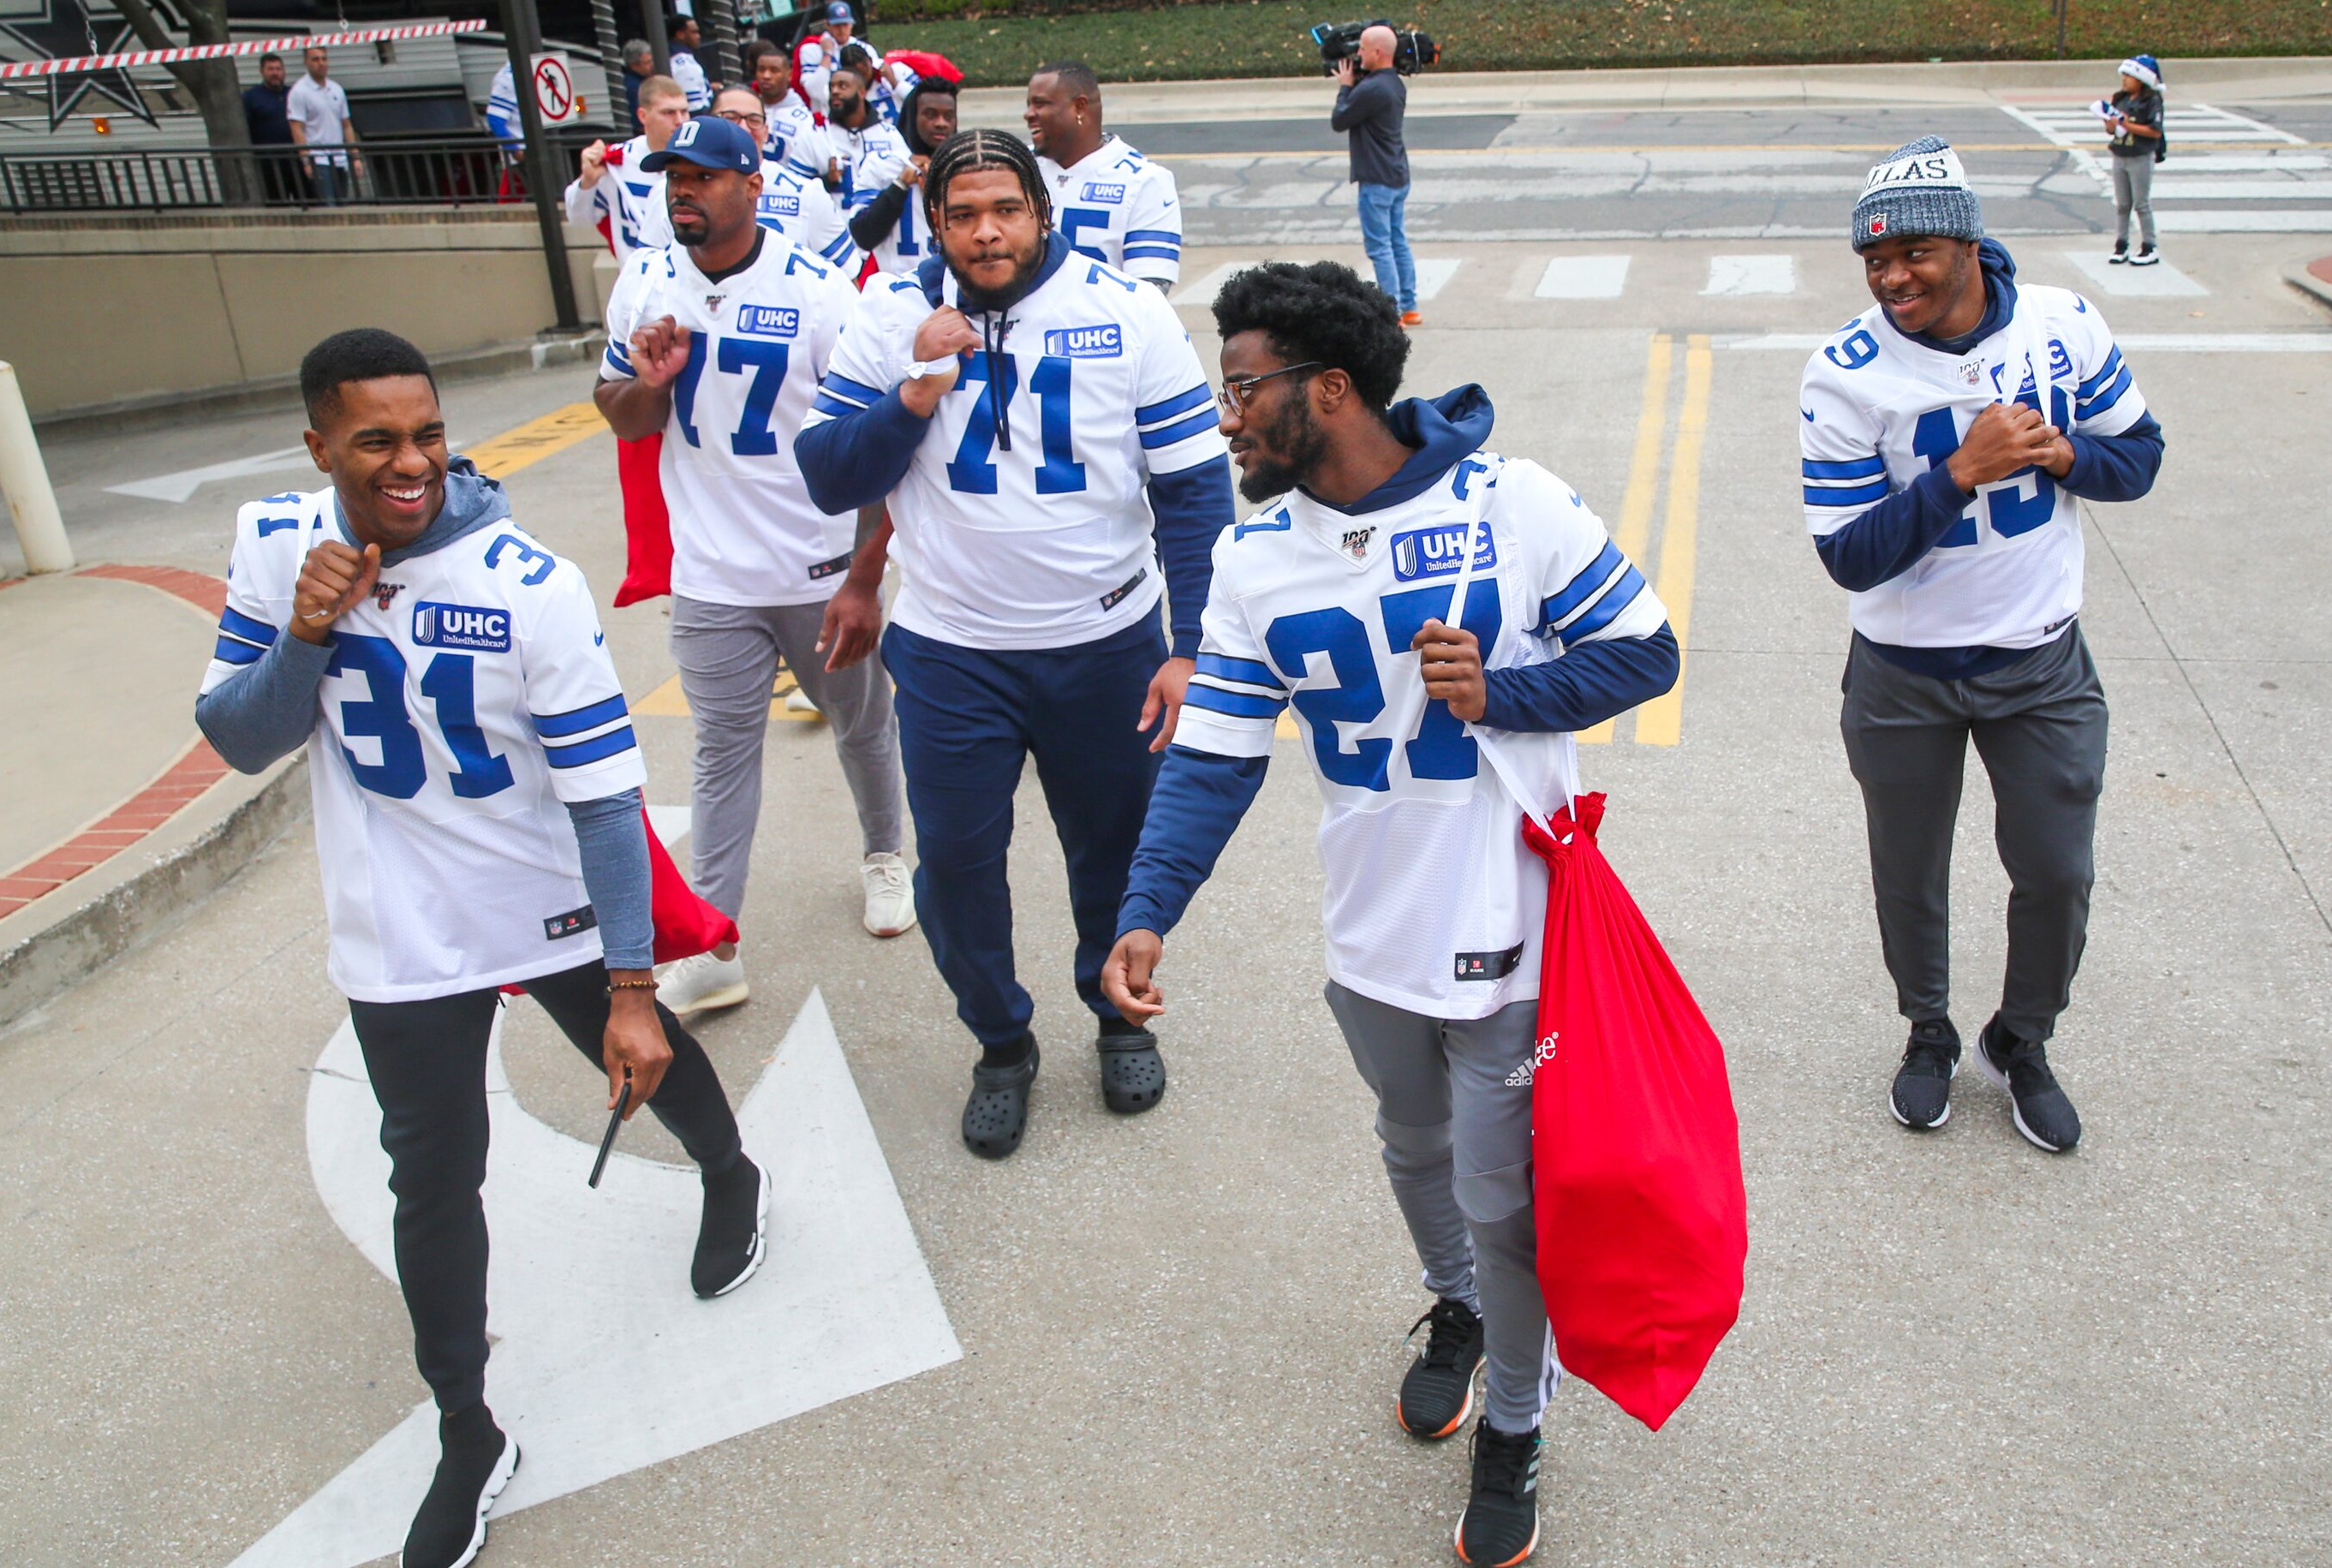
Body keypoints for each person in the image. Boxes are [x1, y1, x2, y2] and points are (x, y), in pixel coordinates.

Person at [1100, 259, 1677, 1566]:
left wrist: (1508, 694)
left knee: (1503, 1193)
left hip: (1512, 933)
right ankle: (1457, 1312)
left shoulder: (1509, 504)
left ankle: (1518, 1423)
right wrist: (1148, 908)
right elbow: (1216, 751)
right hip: (1372, 930)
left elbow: (1646, 651)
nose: (1225, 414)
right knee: (1412, 1150)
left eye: (1243, 388)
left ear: (1332, 387)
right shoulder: (1251, 555)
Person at [195, 328, 767, 1568]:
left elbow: (606, 801)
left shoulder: (527, 580)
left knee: (649, 1050)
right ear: (318, 446)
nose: (414, 463)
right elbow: (238, 741)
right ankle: (467, 1425)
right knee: (430, 1177)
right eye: (378, 441)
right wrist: (301, 637)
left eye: (430, 433)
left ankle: (729, 1173)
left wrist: (628, 985)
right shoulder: (276, 543)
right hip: (398, 927)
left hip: (543, 895)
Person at [795, 130, 1235, 1159]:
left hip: (1106, 644)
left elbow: (1192, 493)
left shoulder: (1124, 313)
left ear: (1042, 212)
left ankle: (1116, 1011)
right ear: (937, 224)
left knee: (1112, 852)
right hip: (953, 650)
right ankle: (1001, 1041)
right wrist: (913, 393)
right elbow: (826, 474)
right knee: (952, 863)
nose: (986, 232)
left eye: (1006, 209)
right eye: (962, 215)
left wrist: (1190, 645)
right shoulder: (890, 313)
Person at [1802, 137, 2166, 1153]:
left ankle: (2023, 1039)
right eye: (1874, 262)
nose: (1892, 278)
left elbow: (2139, 459)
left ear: (1965, 242)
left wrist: (2066, 452)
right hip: (1902, 673)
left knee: (2057, 872)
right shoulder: (1845, 370)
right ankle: (1927, 1030)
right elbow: (1848, 555)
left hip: (2039, 660)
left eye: (1913, 252)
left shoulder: (2063, 325)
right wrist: (1957, 472)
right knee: (1908, 872)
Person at [595, 116, 913, 1016]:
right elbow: (618, 413)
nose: (682, 190)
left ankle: (886, 852)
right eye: (672, 176)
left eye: (703, 176)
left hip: (817, 570)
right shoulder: (646, 280)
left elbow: (878, 442)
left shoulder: (818, 292)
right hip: (710, 576)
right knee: (721, 752)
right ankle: (714, 937)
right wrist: (647, 384)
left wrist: (864, 572)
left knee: (861, 725)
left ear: (752, 186)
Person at [1024, 59, 1184, 291]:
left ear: (1079, 107)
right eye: (1029, 104)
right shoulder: (1011, 168)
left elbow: (1150, 293)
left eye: (1040, 104)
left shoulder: (1145, 181)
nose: (1028, 114)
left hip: (1101, 326)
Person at [710, 82, 860, 275]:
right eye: (730, 118)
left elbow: (848, 278)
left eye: (753, 120)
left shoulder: (807, 194)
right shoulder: (680, 190)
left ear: (765, 131)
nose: (743, 128)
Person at [1331, 26, 1417, 326]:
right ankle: (1410, 306)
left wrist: (1345, 85)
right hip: (1396, 174)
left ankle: (1391, 312)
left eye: (1363, 49)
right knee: (1398, 241)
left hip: (1377, 178)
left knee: (1380, 247)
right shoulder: (1394, 84)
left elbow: (1340, 120)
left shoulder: (1371, 89)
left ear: (1378, 53)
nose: (1358, 54)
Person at [845, 76, 959, 282]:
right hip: (897, 291)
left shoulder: (965, 168)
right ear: (913, 116)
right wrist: (899, 185)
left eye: (948, 116)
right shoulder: (882, 163)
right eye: (930, 115)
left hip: (953, 291)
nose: (941, 123)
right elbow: (863, 235)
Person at [564, 74, 689, 254]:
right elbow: (580, 219)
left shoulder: (702, 159)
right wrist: (587, 182)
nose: (680, 121)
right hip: (640, 278)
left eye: (684, 111)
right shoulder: (617, 161)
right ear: (643, 115)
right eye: (668, 113)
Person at [818, 48, 906, 217]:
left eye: (842, 86)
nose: (835, 91)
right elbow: (798, 187)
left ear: (861, 92)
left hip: (877, 231)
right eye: (832, 87)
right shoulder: (819, 134)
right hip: (834, 231)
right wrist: (827, 180)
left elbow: (908, 180)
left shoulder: (889, 134)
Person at [2103, 55, 2166, 266]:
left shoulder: (2152, 101)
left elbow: (2155, 131)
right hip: (2120, 155)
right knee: (2123, 205)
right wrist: (2111, 123)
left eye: (2129, 76)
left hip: (2140, 156)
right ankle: (2121, 245)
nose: (2124, 80)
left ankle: (2150, 246)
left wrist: (2127, 125)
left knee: (2141, 204)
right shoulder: (2120, 99)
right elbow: (2110, 130)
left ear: (2142, 79)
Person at [288, 45, 361, 205]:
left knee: (343, 204)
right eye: (315, 59)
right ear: (306, 62)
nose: (321, 63)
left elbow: (346, 125)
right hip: (318, 159)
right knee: (328, 206)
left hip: (339, 157)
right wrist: (306, 161)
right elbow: (297, 128)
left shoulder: (336, 89)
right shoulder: (299, 91)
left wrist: (355, 156)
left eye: (324, 59)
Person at [752, 40, 820, 177]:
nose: (766, 76)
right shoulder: (747, 109)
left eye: (774, 70)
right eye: (761, 70)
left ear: (789, 75)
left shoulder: (803, 120)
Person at [241, 52, 301, 204]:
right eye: (271, 69)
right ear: (262, 72)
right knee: (277, 205)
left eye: (279, 69)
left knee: (307, 202)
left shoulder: (294, 94)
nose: (275, 73)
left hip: (297, 160)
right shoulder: (251, 97)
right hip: (269, 163)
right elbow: (245, 127)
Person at [798, 0, 874, 116]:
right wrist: (827, 54)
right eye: (837, 25)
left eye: (845, 24)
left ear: (851, 24)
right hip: (827, 118)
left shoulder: (865, 49)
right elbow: (814, 91)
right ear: (828, 25)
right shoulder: (811, 50)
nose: (842, 30)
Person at [667, 13, 713, 114]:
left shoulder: (682, 57)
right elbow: (694, 107)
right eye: (694, 32)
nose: (698, 36)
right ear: (680, 34)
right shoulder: (683, 64)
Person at [621, 39, 656, 129]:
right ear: (634, 65)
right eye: (647, 62)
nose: (652, 65)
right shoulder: (634, 87)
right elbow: (639, 122)